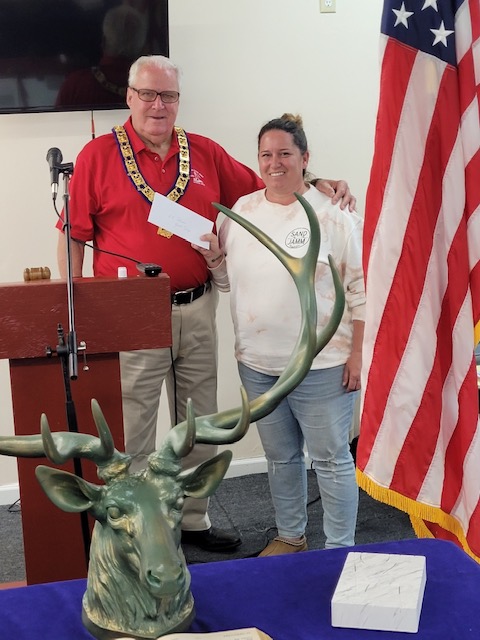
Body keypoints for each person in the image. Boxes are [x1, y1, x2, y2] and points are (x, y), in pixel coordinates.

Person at [56, 56, 356, 552]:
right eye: (148, 94)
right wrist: (76, 307)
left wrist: (319, 181)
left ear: (178, 101)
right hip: (128, 312)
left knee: (197, 422)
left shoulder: (204, 151)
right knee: (136, 428)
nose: (158, 105)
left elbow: (272, 183)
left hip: (197, 307)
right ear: (129, 96)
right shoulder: (96, 156)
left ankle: (192, 519)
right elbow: (74, 237)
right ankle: (136, 529)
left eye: (168, 96)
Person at [194, 113, 365, 554]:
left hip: (322, 365)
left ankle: (339, 548)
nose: (275, 163)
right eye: (266, 155)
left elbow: (359, 289)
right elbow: (230, 284)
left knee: (329, 459)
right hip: (258, 365)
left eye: (285, 153)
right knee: (281, 458)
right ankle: (291, 536)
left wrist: (358, 355)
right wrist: (215, 261)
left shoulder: (336, 216)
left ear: (305, 158)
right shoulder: (239, 214)